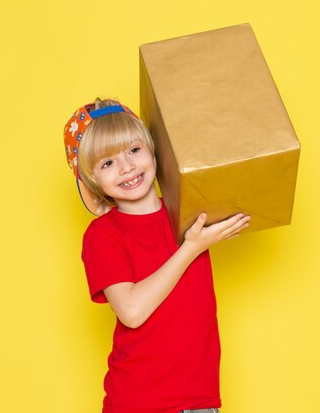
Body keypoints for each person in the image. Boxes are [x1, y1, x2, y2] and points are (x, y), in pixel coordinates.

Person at [62, 98, 251, 413]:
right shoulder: (103, 235)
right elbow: (132, 310)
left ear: (153, 150)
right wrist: (191, 248)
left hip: (201, 399)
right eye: (107, 163)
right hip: (141, 402)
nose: (127, 167)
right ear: (92, 180)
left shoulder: (189, 210)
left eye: (133, 150)